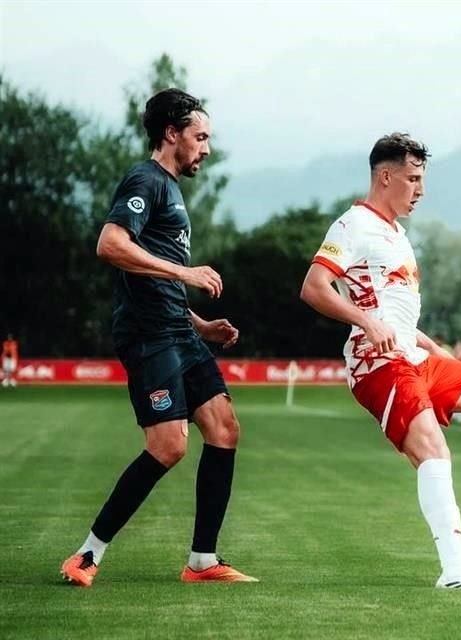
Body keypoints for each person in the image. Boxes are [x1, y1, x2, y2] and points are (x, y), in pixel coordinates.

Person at [300, 133, 461, 591]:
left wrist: (431, 345)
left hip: (414, 354)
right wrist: (365, 322)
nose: (420, 189)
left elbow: (394, 310)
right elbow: (314, 287)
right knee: (433, 450)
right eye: (413, 178)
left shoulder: (397, 232)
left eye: (423, 179)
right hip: (378, 362)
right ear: (386, 177)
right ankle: (455, 572)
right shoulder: (353, 224)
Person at [60, 89, 255, 587]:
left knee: (225, 428)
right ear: (172, 134)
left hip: (177, 330)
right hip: (150, 337)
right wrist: (187, 273)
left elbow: (152, 276)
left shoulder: (169, 188)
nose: (206, 148)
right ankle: (86, 555)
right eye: (200, 136)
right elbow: (111, 244)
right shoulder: (146, 179)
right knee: (169, 446)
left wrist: (198, 324)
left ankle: (203, 562)